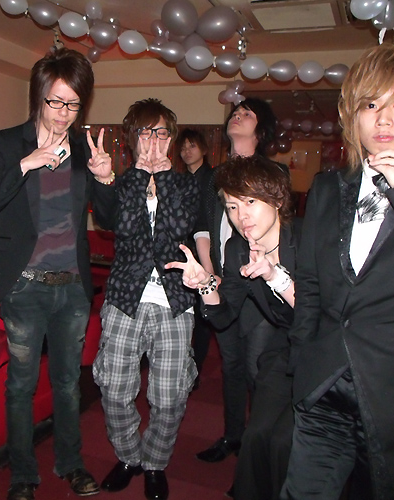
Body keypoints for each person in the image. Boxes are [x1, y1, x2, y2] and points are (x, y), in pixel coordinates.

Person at [281, 43, 394, 499]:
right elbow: (311, 285)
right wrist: (302, 364)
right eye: (370, 105)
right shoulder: (326, 187)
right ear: (353, 118)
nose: (383, 119)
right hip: (325, 389)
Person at [0, 48, 115, 500]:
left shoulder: (84, 149)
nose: (63, 112)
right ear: (38, 97)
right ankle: (22, 474)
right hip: (24, 287)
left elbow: (109, 219)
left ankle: (70, 463)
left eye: (73, 104)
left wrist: (105, 178)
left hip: (72, 288)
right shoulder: (8, 143)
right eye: (55, 101)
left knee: (68, 385)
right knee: (20, 385)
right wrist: (27, 163)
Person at [167, 154, 297, 500]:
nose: (241, 216)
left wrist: (275, 276)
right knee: (258, 436)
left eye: (250, 202)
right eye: (232, 206)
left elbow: (319, 311)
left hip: (328, 348)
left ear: (277, 199)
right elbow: (224, 316)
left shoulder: (307, 237)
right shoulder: (238, 247)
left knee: (287, 442)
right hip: (286, 346)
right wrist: (205, 285)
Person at [93, 98, 199, 500]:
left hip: (175, 300)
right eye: (145, 132)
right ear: (132, 138)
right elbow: (118, 226)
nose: (153, 140)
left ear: (171, 139)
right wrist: (139, 175)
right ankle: (128, 456)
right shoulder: (121, 182)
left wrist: (164, 177)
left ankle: (155, 461)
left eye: (161, 132)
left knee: (169, 396)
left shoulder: (186, 183)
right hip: (125, 297)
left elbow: (180, 225)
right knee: (114, 388)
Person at [194, 98, 287, 465]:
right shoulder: (215, 176)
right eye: (235, 111)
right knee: (230, 366)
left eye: (247, 113)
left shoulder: (272, 172)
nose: (238, 115)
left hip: (263, 284)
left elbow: (283, 230)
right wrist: (210, 274)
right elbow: (203, 227)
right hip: (226, 280)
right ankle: (233, 436)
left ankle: (257, 449)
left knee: (256, 370)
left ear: (261, 130)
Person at [176, 128, 215, 387]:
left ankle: (196, 369)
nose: (187, 151)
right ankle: (181, 364)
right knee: (182, 310)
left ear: (203, 149)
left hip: (206, 251)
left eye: (192, 146)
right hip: (181, 251)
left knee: (202, 315)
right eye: (183, 147)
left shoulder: (213, 178)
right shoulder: (178, 181)